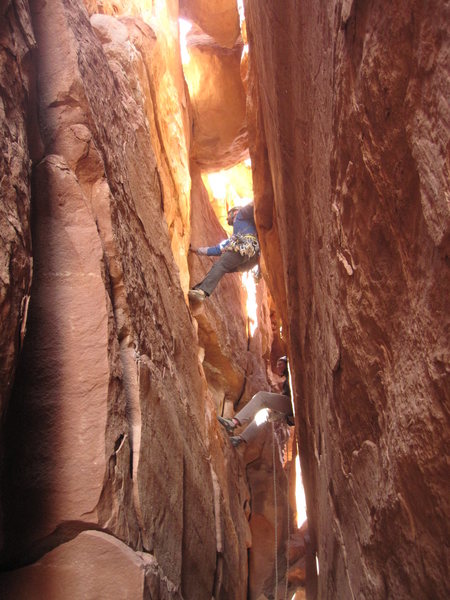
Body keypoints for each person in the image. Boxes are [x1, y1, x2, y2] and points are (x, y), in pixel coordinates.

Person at [188, 203, 260, 301]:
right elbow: (218, 249)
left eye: (228, 215)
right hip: (252, 259)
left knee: (221, 265)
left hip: (245, 246)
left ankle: (202, 291)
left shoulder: (241, 214)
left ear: (235, 212)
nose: (227, 219)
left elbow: (254, 205)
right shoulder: (233, 239)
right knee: (223, 266)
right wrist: (197, 250)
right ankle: (200, 288)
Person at [218, 356, 293, 447]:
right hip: (289, 414)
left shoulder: (291, 375)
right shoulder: (287, 380)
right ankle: (239, 439)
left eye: (280, 364)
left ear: (287, 364)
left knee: (261, 397)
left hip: (292, 407)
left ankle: (233, 423)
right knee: (264, 414)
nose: (278, 367)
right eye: (277, 365)